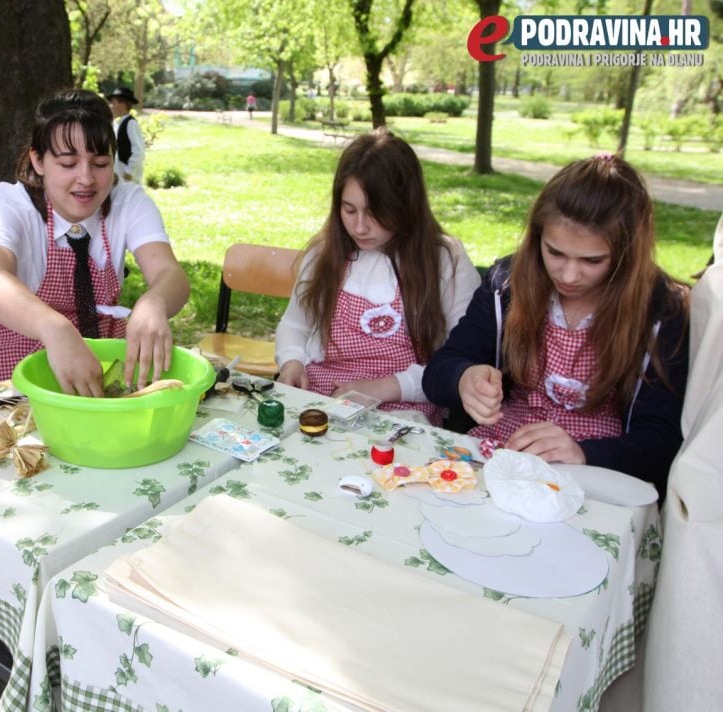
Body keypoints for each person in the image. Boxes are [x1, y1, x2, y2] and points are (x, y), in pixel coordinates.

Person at [422, 155, 689, 494]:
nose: (569, 275)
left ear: (627, 254)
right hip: (506, 452)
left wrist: (582, 452)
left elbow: (661, 442)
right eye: (556, 253)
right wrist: (463, 378)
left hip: (599, 472)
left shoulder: (661, 312)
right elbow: (440, 370)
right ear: (537, 239)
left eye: (592, 260)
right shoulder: (508, 285)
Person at [0, 89, 189, 395]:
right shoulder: (7, 204)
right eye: (69, 164)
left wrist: (155, 301)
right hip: (14, 375)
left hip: (98, 361)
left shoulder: (128, 202)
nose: (86, 178)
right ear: (38, 160)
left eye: (100, 164)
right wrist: (54, 327)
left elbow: (170, 274)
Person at [276, 129, 480, 426]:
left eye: (375, 213)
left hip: (404, 410)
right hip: (322, 397)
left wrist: (381, 388)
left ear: (405, 205)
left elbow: (460, 364)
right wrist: (291, 360)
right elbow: (294, 324)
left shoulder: (444, 260)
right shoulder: (325, 253)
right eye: (349, 210)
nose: (360, 227)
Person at [108, 86, 145, 184]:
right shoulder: (118, 123)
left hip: (127, 175)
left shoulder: (130, 124)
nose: (111, 106)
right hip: (119, 173)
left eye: (113, 103)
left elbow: (138, 150)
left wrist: (129, 171)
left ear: (122, 104)